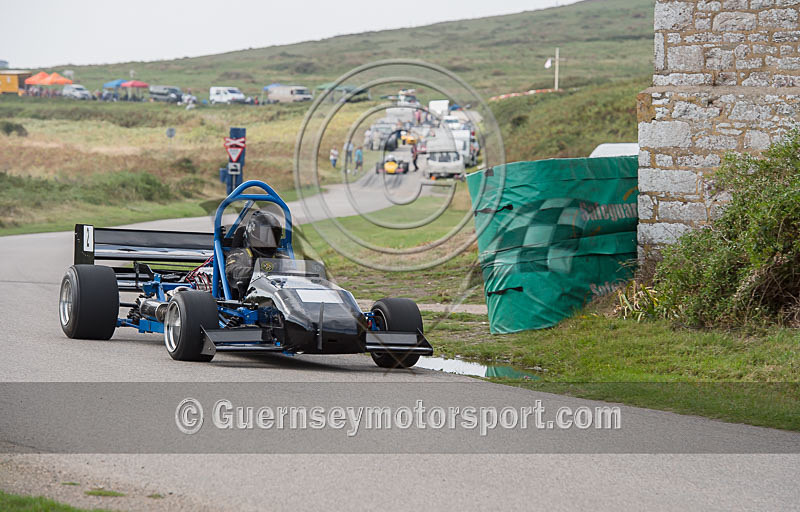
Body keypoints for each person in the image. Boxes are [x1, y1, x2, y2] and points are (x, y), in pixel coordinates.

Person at [225, 211, 284, 298]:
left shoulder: (281, 257)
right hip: (249, 301)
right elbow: (233, 272)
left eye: (273, 235)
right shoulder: (240, 255)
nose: (269, 239)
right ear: (253, 232)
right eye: (265, 234)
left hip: (279, 299)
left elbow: (297, 275)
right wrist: (258, 272)